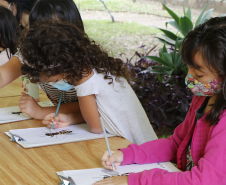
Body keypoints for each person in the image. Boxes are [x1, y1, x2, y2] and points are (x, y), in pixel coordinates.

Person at [94, 16, 226, 185]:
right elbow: (177, 143)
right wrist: (127, 155)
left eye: (199, 75)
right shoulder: (204, 97)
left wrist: (134, 180)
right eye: (189, 68)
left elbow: (202, 180)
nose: (190, 77)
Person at [18, 20, 157, 144]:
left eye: (54, 80)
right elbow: (99, 115)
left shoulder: (84, 79)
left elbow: (96, 127)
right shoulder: (94, 66)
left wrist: (65, 117)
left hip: (137, 148)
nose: (55, 84)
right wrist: (69, 118)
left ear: (62, 66)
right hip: (141, 143)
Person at [0, 0, 84, 123]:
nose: (49, 35)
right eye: (41, 29)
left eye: (56, 28)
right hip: (63, 121)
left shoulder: (84, 57)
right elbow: (2, 76)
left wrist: (40, 112)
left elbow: (89, 104)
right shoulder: (31, 53)